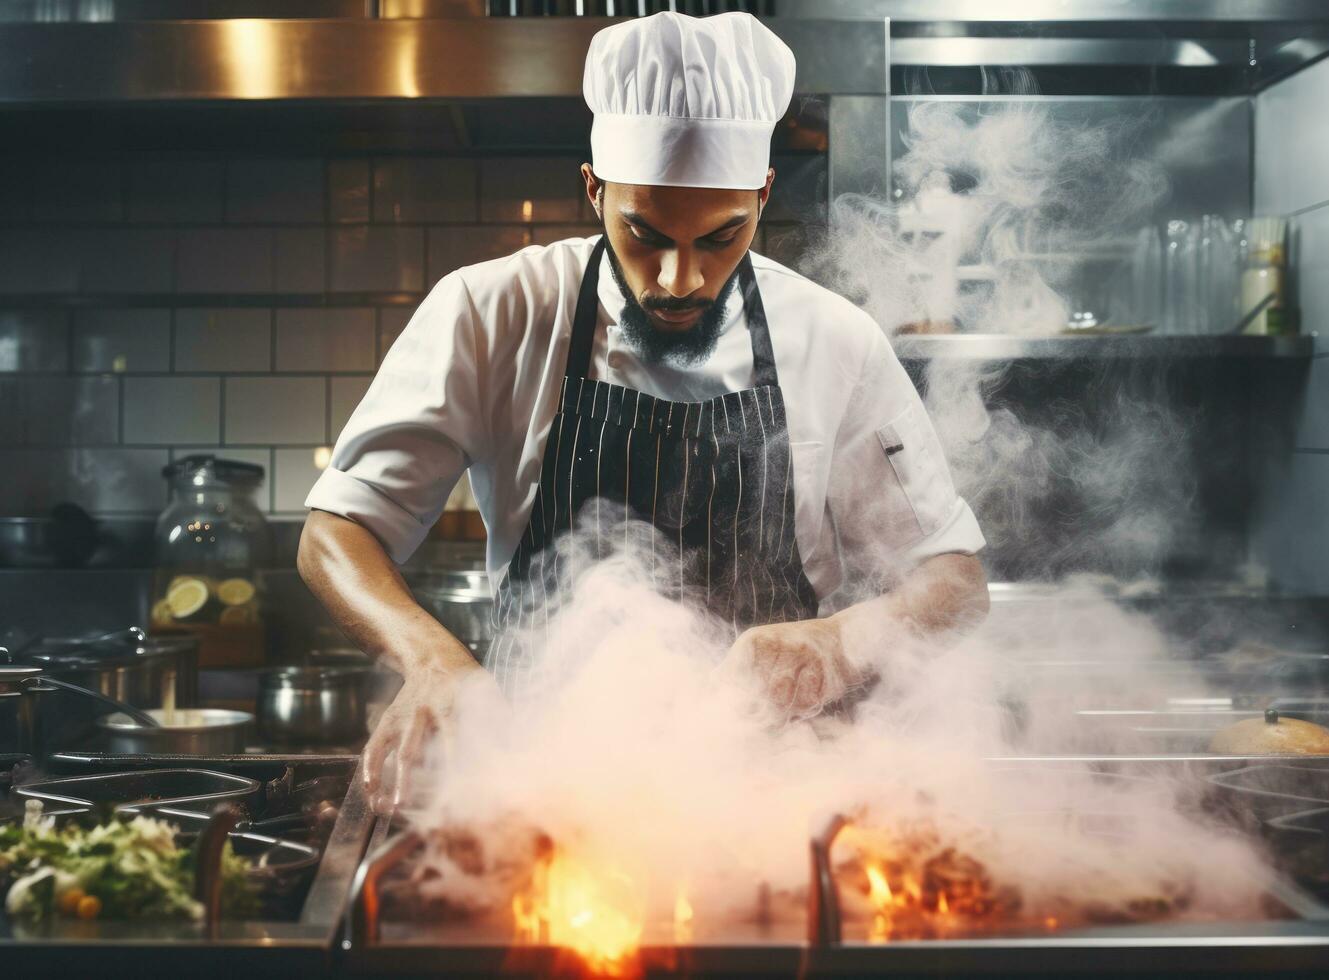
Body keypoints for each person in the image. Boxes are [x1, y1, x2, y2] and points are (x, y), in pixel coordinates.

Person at [298, 11, 988, 814]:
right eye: (644, 233)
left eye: (721, 238)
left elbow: (953, 582)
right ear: (594, 188)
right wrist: (429, 659)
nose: (677, 278)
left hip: (779, 801)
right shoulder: (492, 311)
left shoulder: (834, 339)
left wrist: (837, 642)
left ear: (762, 197)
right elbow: (335, 531)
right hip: (547, 798)